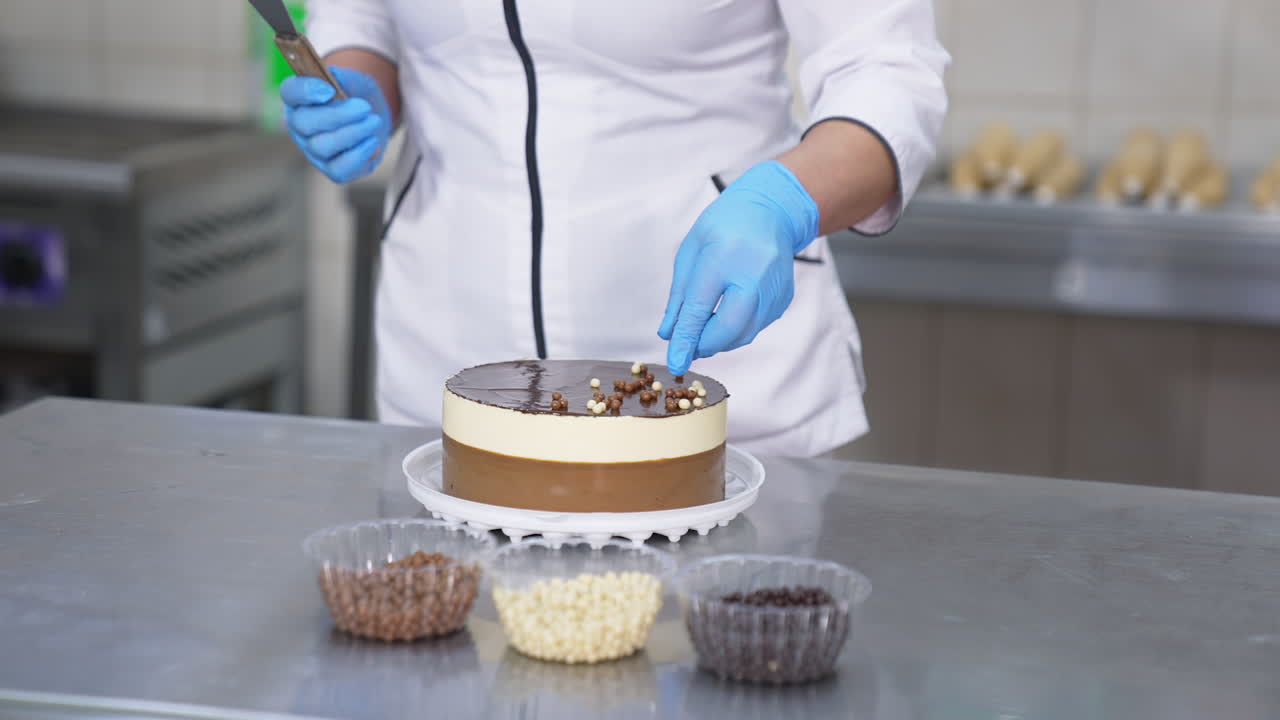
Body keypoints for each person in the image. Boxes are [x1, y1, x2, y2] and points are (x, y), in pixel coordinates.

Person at [285, 1, 948, 457]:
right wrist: (358, 82)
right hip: (450, 363)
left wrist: (785, 202)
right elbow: (361, 15)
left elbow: (885, 68)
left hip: (724, 388)